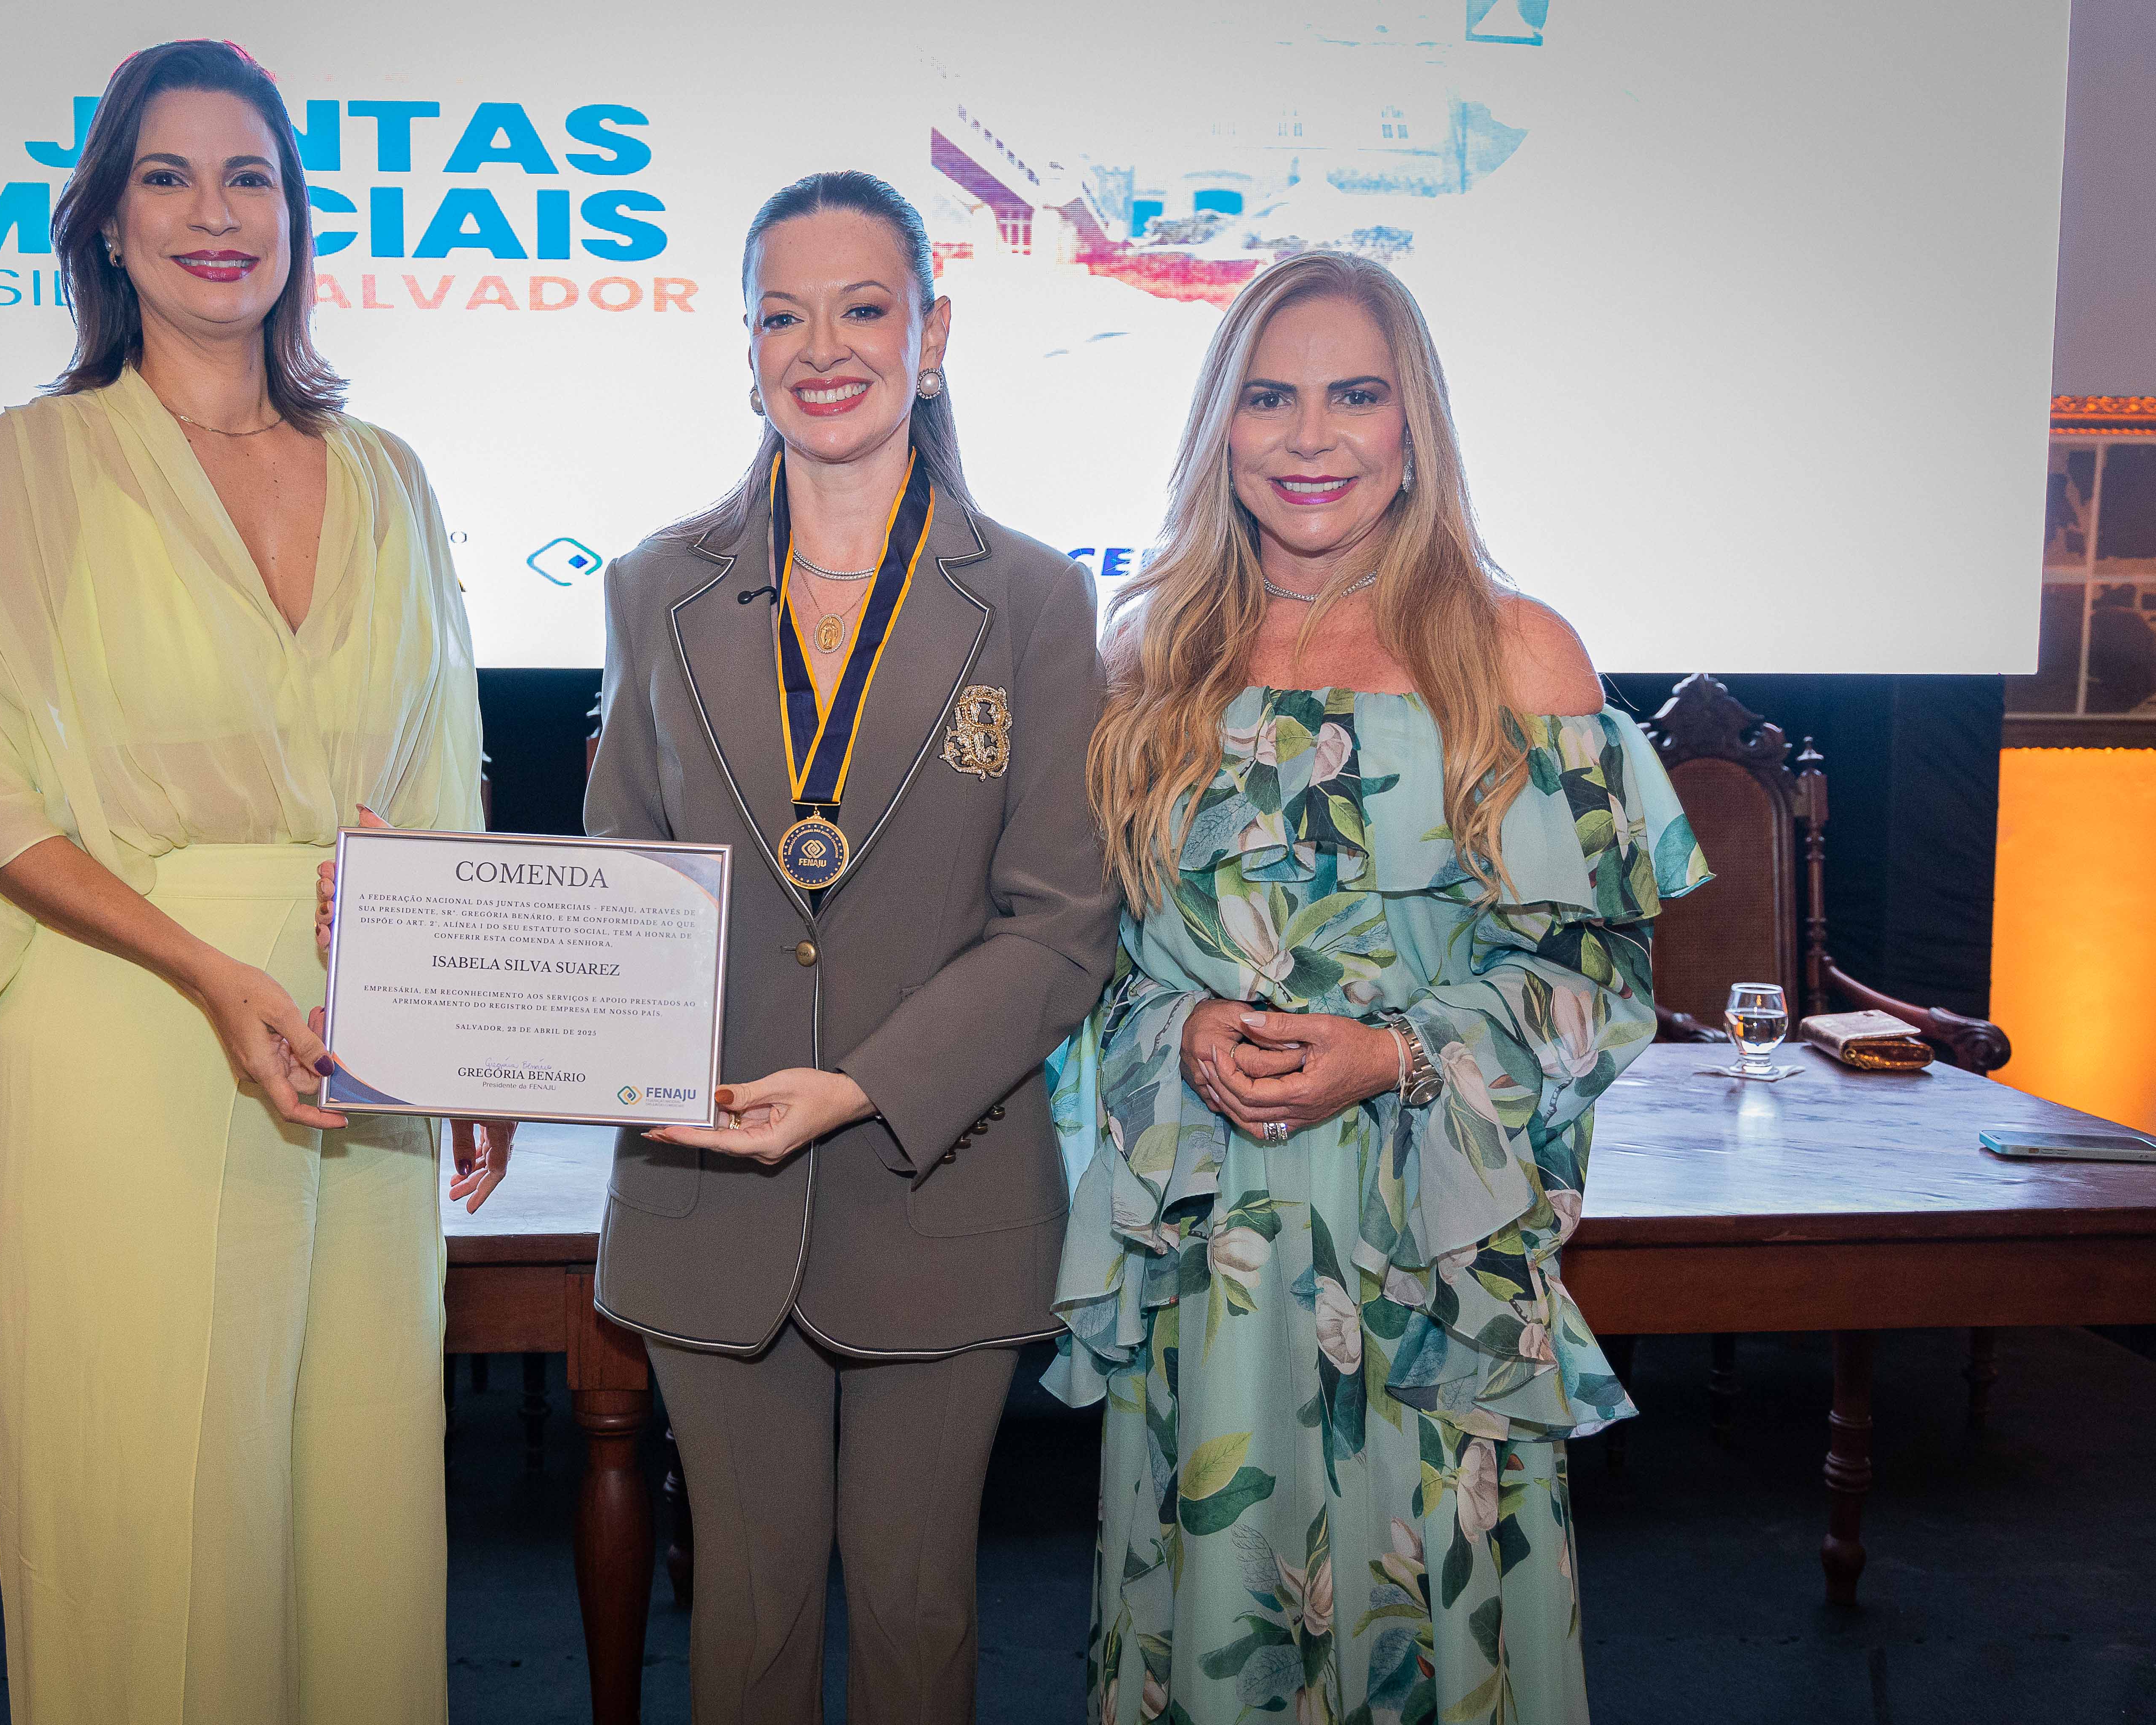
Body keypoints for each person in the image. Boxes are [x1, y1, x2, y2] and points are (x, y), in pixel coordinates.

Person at [0, 39, 507, 1725]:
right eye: (169, 176)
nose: (215, 213)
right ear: (109, 225)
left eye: (251, 178)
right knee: (156, 1516)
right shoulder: (30, 466)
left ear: (297, 217)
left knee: (354, 1509)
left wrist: (474, 1039)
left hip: (360, 1048)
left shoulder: (390, 479)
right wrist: (212, 974)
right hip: (132, 1014)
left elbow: (434, 789)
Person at [1049, 250, 1709, 1724]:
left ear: (1417, 425)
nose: (1310, 437)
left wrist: (1392, 1052)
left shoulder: (1518, 654)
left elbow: (1592, 985)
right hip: (1208, 1264)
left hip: (1429, 1256)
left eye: (1357, 396)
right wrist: (1181, 1024)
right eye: (1270, 398)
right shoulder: (1145, 658)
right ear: (1222, 426)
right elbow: (1079, 977)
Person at [587, 171, 1121, 1723]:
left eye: (864, 308)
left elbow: (1064, 923)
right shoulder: (652, 589)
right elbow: (623, 879)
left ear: (932, 335)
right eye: (782, 313)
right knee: (744, 1619)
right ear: (745, 346)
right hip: (703, 1180)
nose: (823, 347)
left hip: (937, 1180)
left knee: (914, 1611)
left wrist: (863, 1086)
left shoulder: (1029, 599)